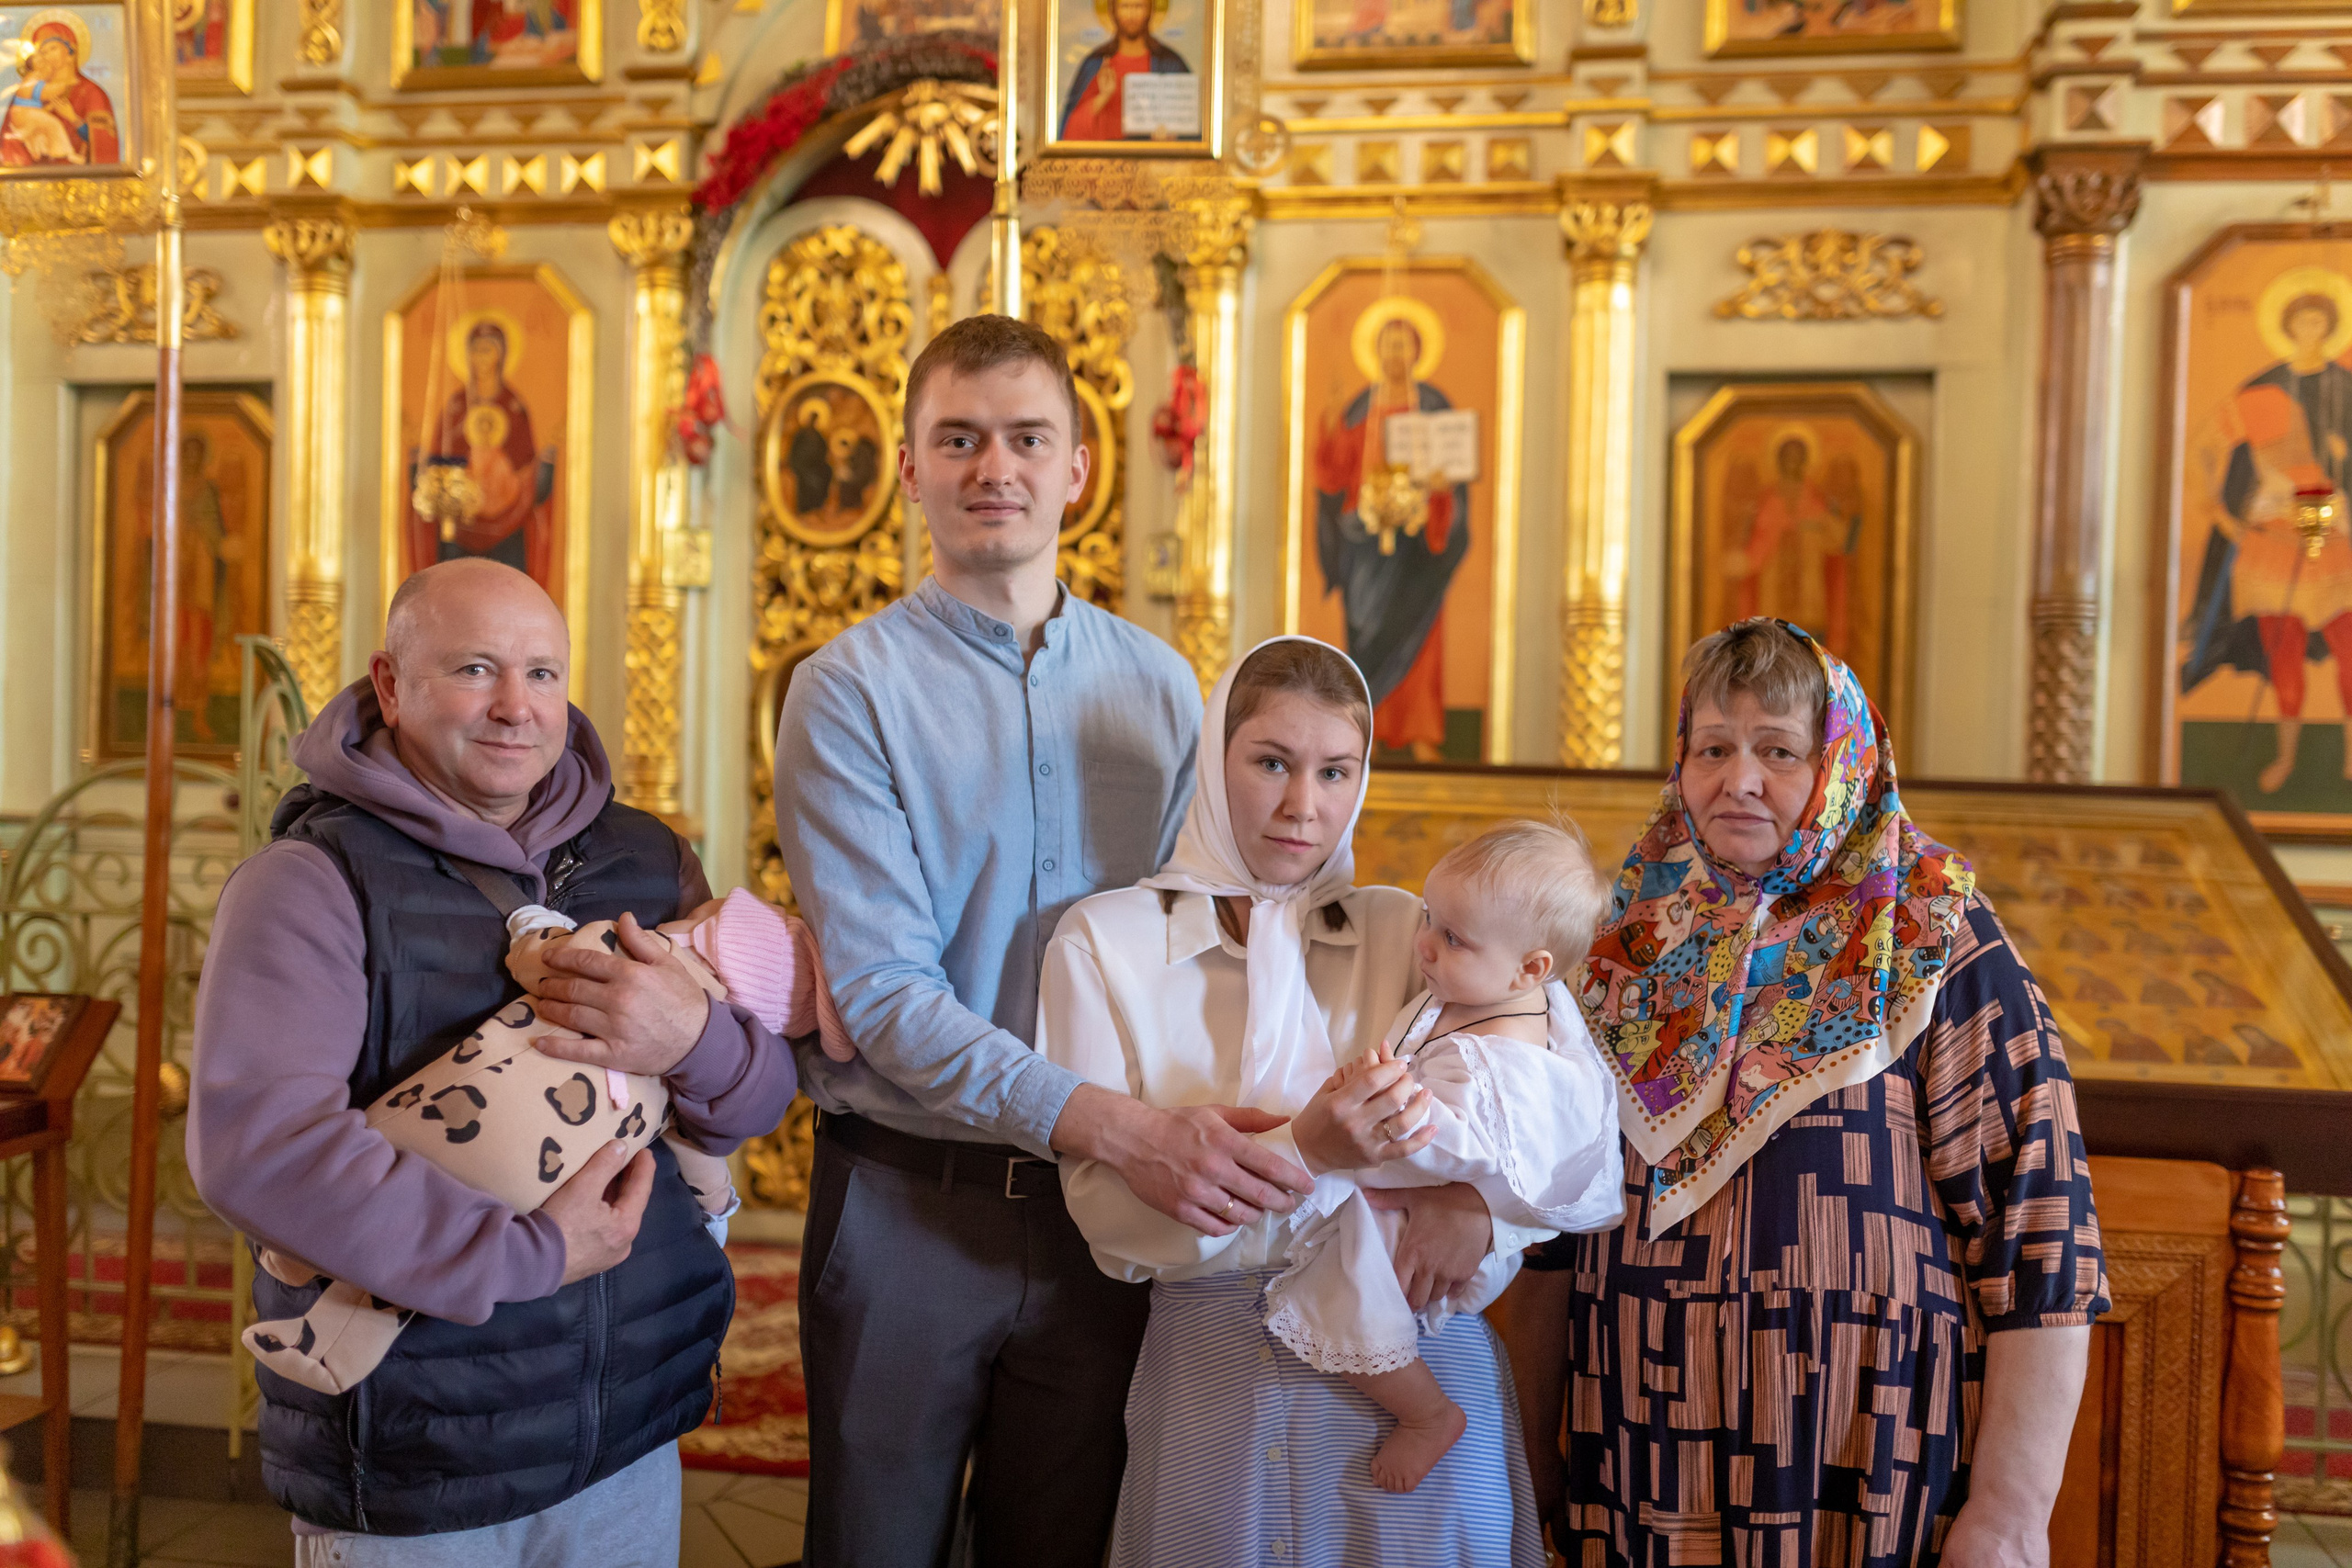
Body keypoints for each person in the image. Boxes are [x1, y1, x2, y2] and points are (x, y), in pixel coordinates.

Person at [775, 314, 1275, 1567]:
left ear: (1076, 469)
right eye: (959, 437)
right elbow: (887, 991)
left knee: (1061, 1542)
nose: (993, 465)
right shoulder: (847, 689)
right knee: (874, 1547)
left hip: (1104, 1217)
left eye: (1025, 438)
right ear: (909, 466)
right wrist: (1115, 1123)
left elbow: (1200, 932)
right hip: (907, 1200)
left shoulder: (1162, 685)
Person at [189, 558, 798, 1563]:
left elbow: (757, 1099)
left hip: (629, 1433)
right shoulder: (309, 882)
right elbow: (263, 1152)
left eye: (544, 674)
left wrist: (692, 1040)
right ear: (390, 685)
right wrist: (534, 1256)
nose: (517, 707)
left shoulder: (648, 861)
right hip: (421, 1455)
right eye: (475, 670)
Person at [1510, 617, 2107, 1564]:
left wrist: (2010, 1513)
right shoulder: (1622, 940)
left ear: (1840, 764)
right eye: (1713, 747)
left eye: (1777, 751)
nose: (1736, 779)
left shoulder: (1934, 937)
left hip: (1864, 1472)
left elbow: (2040, 1240)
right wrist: (1523, 1477)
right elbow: (1542, 1237)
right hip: (1632, 1457)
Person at [1037, 636, 1589, 1566]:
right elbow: (1114, 1227)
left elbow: (1547, 1083)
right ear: (1214, 762)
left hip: (1415, 1376)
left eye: (1336, 771)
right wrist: (1308, 1151)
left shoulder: (1406, 929)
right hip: (1213, 1377)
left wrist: (1478, 1206)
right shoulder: (1105, 943)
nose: (1304, 806)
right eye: (1270, 764)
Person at [1254, 818, 1623, 1495]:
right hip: (1424, 1209)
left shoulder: (1510, 1058)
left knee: (1342, 1291)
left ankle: (1426, 1413)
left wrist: (1382, 1103)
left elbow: (1467, 1148)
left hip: (1448, 1232)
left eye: (1452, 937)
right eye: (1430, 916)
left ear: (1531, 967)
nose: (1423, 943)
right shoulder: (1479, 992)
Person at [2181, 288, 2352, 794]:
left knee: (2349, 650)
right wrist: (2222, 514)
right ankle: (2286, 756)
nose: (2310, 332)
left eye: (2320, 323)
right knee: (2284, 655)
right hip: (2272, 544)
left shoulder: (2346, 386)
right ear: (2288, 327)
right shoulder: (2262, 393)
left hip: (2336, 540)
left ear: (2330, 329)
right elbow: (2202, 451)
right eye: (2301, 322)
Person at [1313, 314, 1472, 761]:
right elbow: (1333, 472)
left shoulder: (1434, 405)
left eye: (1404, 346)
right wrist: (1329, 422)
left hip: (1419, 547)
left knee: (1419, 640)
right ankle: (1371, 735)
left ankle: (1420, 733)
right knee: (1364, 632)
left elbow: (1453, 474)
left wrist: (1441, 491)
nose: (1395, 355)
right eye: (1388, 346)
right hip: (1367, 544)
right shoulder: (1362, 405)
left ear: (1418, 353)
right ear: (1378, 352)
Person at [408, 321, 559, 585]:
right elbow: (436, 466)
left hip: (508, 526)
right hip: (461, 526)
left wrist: (542, 466)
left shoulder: (513, 408)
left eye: (488, 350)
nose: (482, 358)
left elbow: (528, 472)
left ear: (502, 355)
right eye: (476, 350)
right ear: (467, 355)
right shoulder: (456, 407)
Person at [1058, 0, 1191, 141]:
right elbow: (1070, 131)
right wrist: (1103, 97)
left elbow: (1190, 123)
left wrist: (1172, 134)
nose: (1131, 14)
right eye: (1125, 6)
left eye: (1138, 6)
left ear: (1150, 11)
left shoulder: (1170, 63)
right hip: (1105, 158)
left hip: (1153, 159)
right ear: (1113, 11)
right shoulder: (1095, 63)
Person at [0, 15, 119, 168]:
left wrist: (74, 119)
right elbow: (7, 143)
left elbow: (105, 147)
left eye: (53, 48)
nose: (46, 56)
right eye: (42, 52)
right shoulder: (28, 90)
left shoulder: (92, 93)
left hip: (80, 181)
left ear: (71, 52)